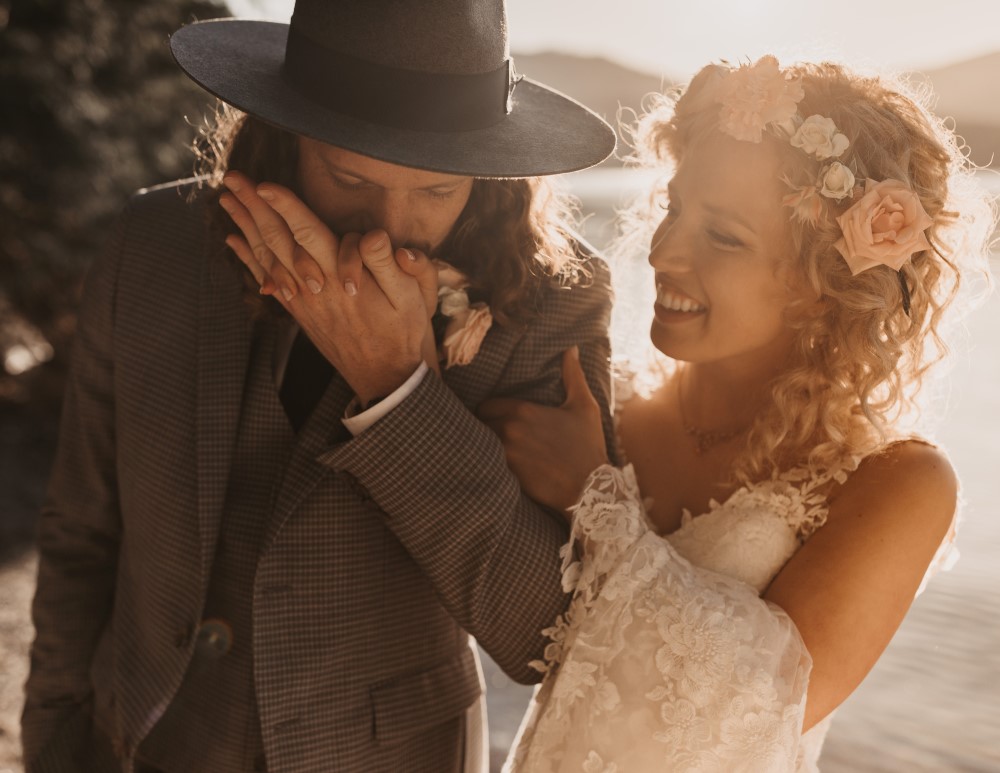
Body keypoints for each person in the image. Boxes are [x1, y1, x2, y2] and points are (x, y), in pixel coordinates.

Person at [21, 1, 618, 771]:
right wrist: (52, 738)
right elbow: (80, 529)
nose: (386, 230)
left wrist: (400, 390)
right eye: (349, 177)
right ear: (285, 132)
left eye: (437, 191)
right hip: (138, 738)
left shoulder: (552, 304)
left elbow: (546, 636)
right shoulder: (152, 246)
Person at [476, 57, 996, 771]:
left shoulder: (895, 485)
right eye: (673, 208)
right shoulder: (598, 404)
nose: (662, 252)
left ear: (824, 284)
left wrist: (590, 494)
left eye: (723, 237)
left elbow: (750, 710)